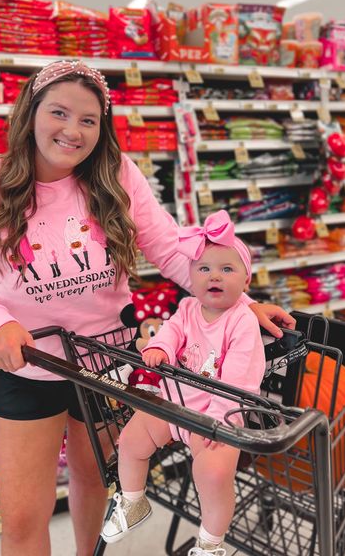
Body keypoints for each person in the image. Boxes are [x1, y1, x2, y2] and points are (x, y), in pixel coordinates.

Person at [0, 60, 295, 556]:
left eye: (89, 120)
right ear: (30, 112)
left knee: (95, 485)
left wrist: (241, 304)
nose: (73, 131)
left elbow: (171, 249)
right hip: (28, 367)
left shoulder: (116, 175)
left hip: (109, 361)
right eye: (59, 112)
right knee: (21, 516)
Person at [101, 210, 265, 556]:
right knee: (130, 440)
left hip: (220, 417)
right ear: (190, 276)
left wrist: (218, 424)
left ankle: (211, 542)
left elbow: (239, 382)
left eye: (227, 269)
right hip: (175, 405)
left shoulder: (242, 322)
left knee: (212, 473)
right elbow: (172, 331)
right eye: (204, 269)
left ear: (246, 282)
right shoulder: (188, 307)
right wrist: (160, 346)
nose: (213, 277)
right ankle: (132, 500)